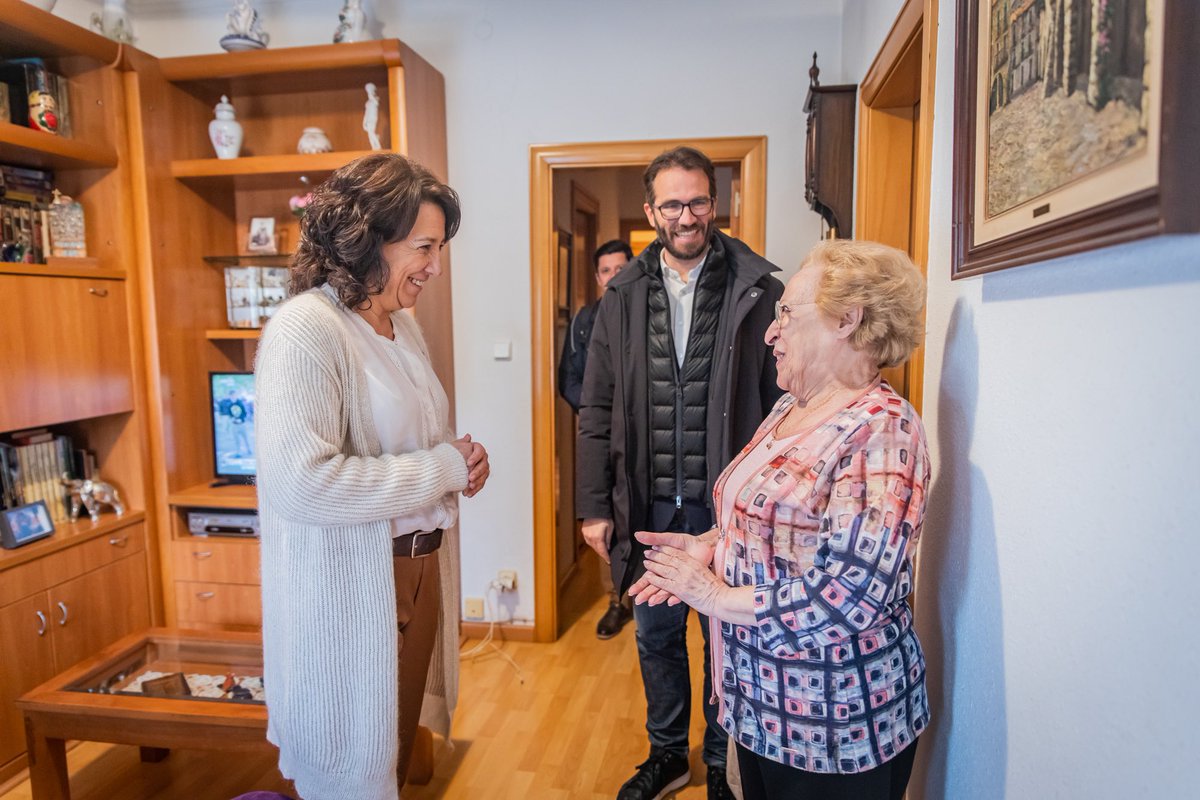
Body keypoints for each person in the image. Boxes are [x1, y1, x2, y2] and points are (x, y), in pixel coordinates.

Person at [630, 239, 930, 800]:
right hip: (762, 710)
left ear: (847, 320)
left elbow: (850, 595)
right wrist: (709, 545)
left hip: (834, 727)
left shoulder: (882, 432)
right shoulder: (791, 407)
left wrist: (714, 597)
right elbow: (765, 521)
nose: (771, 332)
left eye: (786, 314)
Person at [254, 152, 489, 800]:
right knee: (349, 773)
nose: (435, 267)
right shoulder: (307, 331)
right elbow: (301, 482)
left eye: (438, 248)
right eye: (424, 247)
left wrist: (457, 462)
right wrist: (440, 467)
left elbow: (418, 439)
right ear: (367, 239)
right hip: (352, 584)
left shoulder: (402, 327)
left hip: (418, 570)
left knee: (387, 760)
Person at [577, 146, 784, 800]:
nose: (686, 215)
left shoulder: (760, 289)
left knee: (725, 645)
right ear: (650, 211)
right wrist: (592, 506)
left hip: (727, 515)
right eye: (672, 203)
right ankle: (669, 754)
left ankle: (722, 765)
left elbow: (784, 408)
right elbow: (597, 406)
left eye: (697, 201)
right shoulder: (623, 295)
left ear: (714, 203)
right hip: (648, 513)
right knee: (656, 638)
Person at [557, 238, 635, 639]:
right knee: (606, 515)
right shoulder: (585, 320)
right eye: (606, 271)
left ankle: (652, 594)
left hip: (644, 436)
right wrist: (596, 412)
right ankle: (616, 600)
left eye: (621, 269)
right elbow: (567, 378)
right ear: (598, 277)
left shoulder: (648, 316)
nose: (613, 277)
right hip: (601, 437)